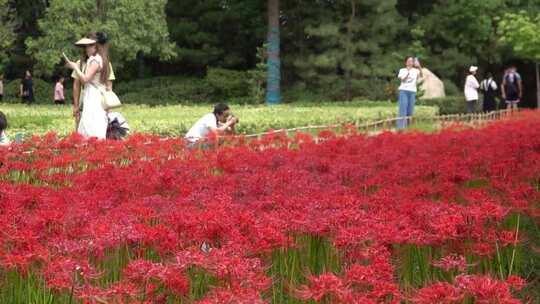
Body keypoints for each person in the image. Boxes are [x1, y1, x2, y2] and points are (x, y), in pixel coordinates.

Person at [65, 32, 112, 139]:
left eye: (90, 45)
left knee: (91, 125)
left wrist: (75, 67)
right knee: (93, 124)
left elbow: (85, 79)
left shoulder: (95, 60)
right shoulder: (102, 59)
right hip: (95, 95)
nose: (87, 48)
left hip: (94, 96)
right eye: (86, 46)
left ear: (96, 46)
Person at [397, 56, 423, 129]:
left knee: (410, 110)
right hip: (403, 91)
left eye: (411, 61)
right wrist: (408, 73)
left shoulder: (416, 70)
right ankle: (401, 128)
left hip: (412, 92)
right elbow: (403, 80)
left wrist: (419, 66)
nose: (410, 62)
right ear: (405, 62)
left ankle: (408, 127)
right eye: (408, 61)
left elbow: (421, 75)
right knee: (403, 109)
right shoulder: (402, 70)